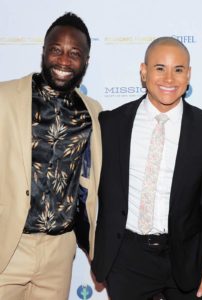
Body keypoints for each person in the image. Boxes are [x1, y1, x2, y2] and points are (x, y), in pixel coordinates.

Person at [91, 37, 202, 300]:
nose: (169, 78)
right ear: (143, 72)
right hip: (126, 258)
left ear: (188, 75)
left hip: (186, 258)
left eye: (178, 69)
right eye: (159, 68)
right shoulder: (110, 124)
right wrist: (96, 249)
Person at [0, 12, 102, 300]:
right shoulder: (5, 98)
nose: (64, 60)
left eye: (74, 53)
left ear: (86, 61)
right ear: (44, 52)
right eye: (56, 50)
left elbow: (93, 186)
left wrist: (96, 247)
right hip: (9, 243)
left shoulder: (93, 113)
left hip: (60, 251)